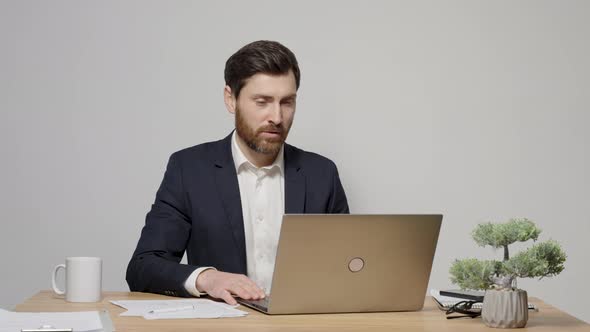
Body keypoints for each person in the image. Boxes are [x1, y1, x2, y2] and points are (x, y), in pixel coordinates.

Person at [126, 40, 349, 305]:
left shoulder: (321, 174)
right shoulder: (189, 169)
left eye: (287, 102)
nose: (277, 117)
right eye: (262, 102)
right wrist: (207, 278)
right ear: (230, 99)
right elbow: (143, 267)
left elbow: (347, 267)